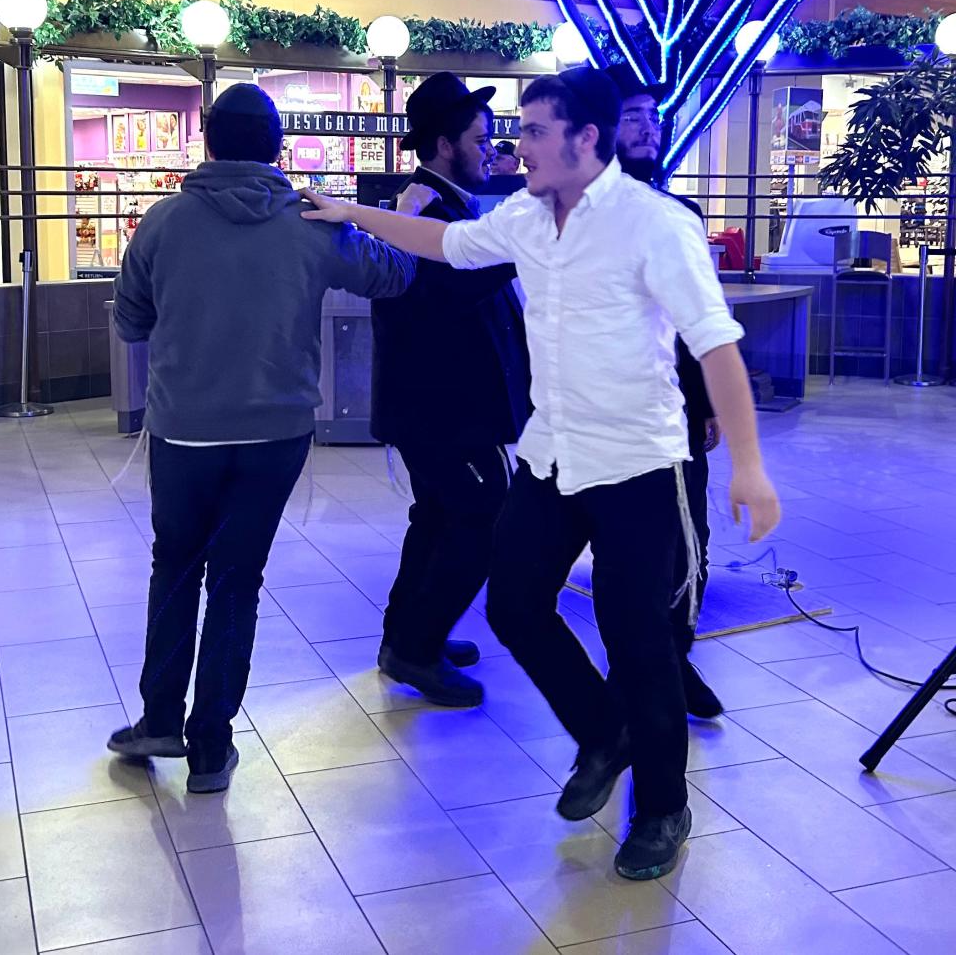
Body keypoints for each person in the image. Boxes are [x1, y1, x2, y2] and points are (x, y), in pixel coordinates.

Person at [300, 65, 780, 881]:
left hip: (636, 461)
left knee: (640, 640)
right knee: (515, 605)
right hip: (552, 457)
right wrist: (350, 211)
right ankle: (604, 733)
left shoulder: (654, 224)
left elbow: (715, 342)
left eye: (533, 133)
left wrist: (750, 467)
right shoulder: (524, 217)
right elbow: (442, 244)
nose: (517, 148)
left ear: (585, 140)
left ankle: (662, 808)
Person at [107, 83, 414, 793]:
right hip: (277, 433)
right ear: (277, 149)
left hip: (184, 431)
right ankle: (211, 746)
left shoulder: (162, 222)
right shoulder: (311, 222)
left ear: (208, 144)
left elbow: (130, 322)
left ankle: (158, 718)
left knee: (176, 568)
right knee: (237, 580)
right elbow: (393, 276)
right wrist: (390, 219)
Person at [372, 72, 531, 707]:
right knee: (487, 519)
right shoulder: (425, 211)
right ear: (443, 145)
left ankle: (406, 638)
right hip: (447, 410)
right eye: (480, 137)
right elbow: (448, 292)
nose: (492, 149)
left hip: (445, 407)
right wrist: (522, 246)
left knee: (437, 517)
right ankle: (416, 648)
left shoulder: (444, 204)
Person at [608, 63, 723, 719]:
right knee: (632, 549)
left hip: (677, 408)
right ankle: (645, 669)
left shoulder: (682, 212)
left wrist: (707, 399)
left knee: (691, 536)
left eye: (653, 118)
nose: (648, 129)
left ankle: (676, 656)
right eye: (633, 118)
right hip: (611, 414)